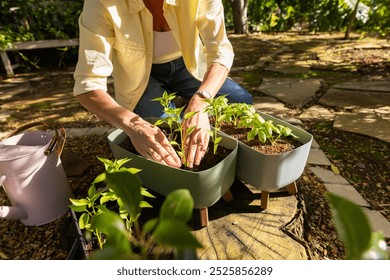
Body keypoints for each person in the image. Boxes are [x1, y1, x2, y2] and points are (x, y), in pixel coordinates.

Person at [73, 0, 252, 169]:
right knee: (165, 138)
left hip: (188, 66)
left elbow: (220, 50)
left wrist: (201, 102)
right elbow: (87, 85)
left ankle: (190, 114)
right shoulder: (100, 3)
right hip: (140, 77)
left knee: (240, 102)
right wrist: (134, 126)